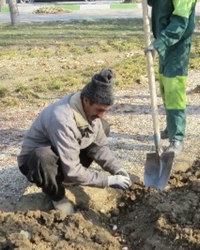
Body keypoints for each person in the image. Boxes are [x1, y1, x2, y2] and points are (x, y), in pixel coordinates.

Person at [17, 68, 132, 214]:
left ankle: (69, 178)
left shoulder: (87, 110)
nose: (102, 115)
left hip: (64, 153)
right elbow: (72, 168)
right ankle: (57, 195)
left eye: (105, 111)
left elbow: (100, 147)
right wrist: (107, 181)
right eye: (99, 110)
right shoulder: (62, 119)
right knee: (43, 156)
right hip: (35, 163)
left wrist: (117, 169)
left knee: (103, 126)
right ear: (86, 101)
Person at [136, 0, 199, 156]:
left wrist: (159, 43)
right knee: (164, 87)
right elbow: (154, 0)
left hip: (177, 43)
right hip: (162, 41)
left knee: (174, 89)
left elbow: (180, 22)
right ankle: (171, 126)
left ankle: (177, 137)